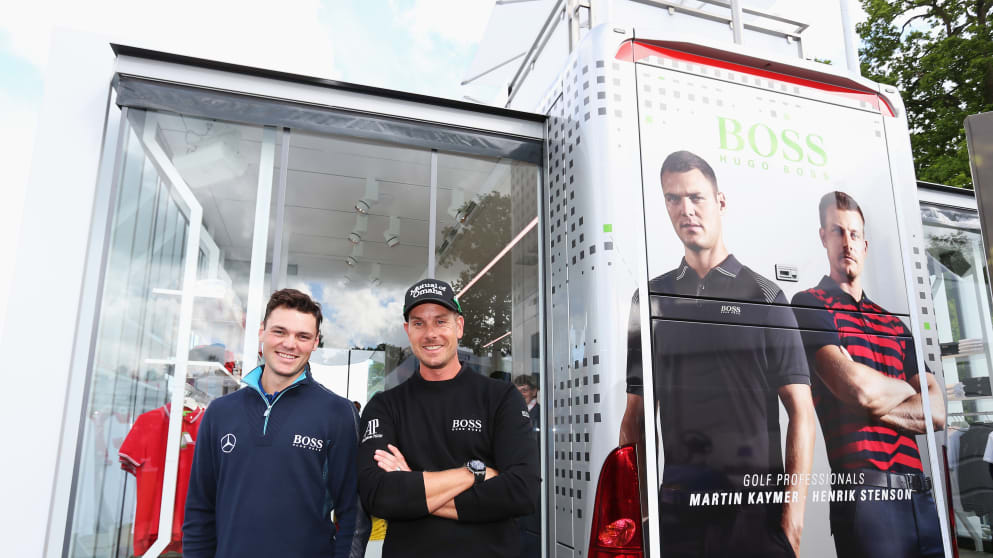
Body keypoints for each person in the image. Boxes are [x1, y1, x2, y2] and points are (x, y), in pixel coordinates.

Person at [619, 150, 816, 557]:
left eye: (696, 197)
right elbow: (635, 418)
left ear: (720, 202)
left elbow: (801, 410)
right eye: (673, 199)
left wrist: (793, 520)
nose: (685, 209)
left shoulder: (766, 296)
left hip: (755, 515)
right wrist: (640, 511)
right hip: (678, 516)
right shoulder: (650, 300)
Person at [791, 191, 945, 558]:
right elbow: (856, 389)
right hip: (866, 496)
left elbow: (937, 410)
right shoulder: (809, 305)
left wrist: (871, 394)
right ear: (823, 237)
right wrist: (904, 392)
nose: (847, 242)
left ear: (865, 243)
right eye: (837, 231)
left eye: (854, 234)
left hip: (920, 495)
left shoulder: (893, 323)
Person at [357, 279, 539, 558]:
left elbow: (521, 490)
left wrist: (411, 484)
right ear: (408, 331)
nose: (430, 333)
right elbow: (378, 494)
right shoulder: (385, 406)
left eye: (441, 321)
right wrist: (473, 473)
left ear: (459, 326)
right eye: (419, 323)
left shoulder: (500, 397)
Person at [183, 288, 367, 558]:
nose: (290, 344)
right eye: (280, 332)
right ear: (262, 332)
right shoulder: (220, 413)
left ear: (316, 342)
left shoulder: (337, 413)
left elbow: (353, 516)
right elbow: (200, 510)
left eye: (302, 336)